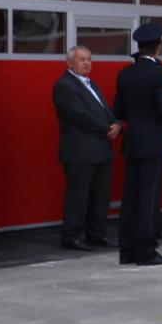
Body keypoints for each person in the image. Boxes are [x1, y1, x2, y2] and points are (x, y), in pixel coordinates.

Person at [113, 23, 162, 268]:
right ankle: (146, 250)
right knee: (149, 197)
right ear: (158, 46)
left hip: (133, 142)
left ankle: (127, 249)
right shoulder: (158, 73)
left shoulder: (125, 73)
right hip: (153, 142)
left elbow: (119, 110)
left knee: (131, 196)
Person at [53, 45, 120, 250]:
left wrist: (116, 124)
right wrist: (107, 127)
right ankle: (71, 236)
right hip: (80, 152)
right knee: (78, 197)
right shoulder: (65, 85)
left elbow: (105, 110)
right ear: (69, 63)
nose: (87, 63)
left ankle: (96, 234)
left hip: (101, 150)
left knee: (100, 196)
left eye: (89, 59)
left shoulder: (93, 85)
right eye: (82, 59)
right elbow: (79, 115)